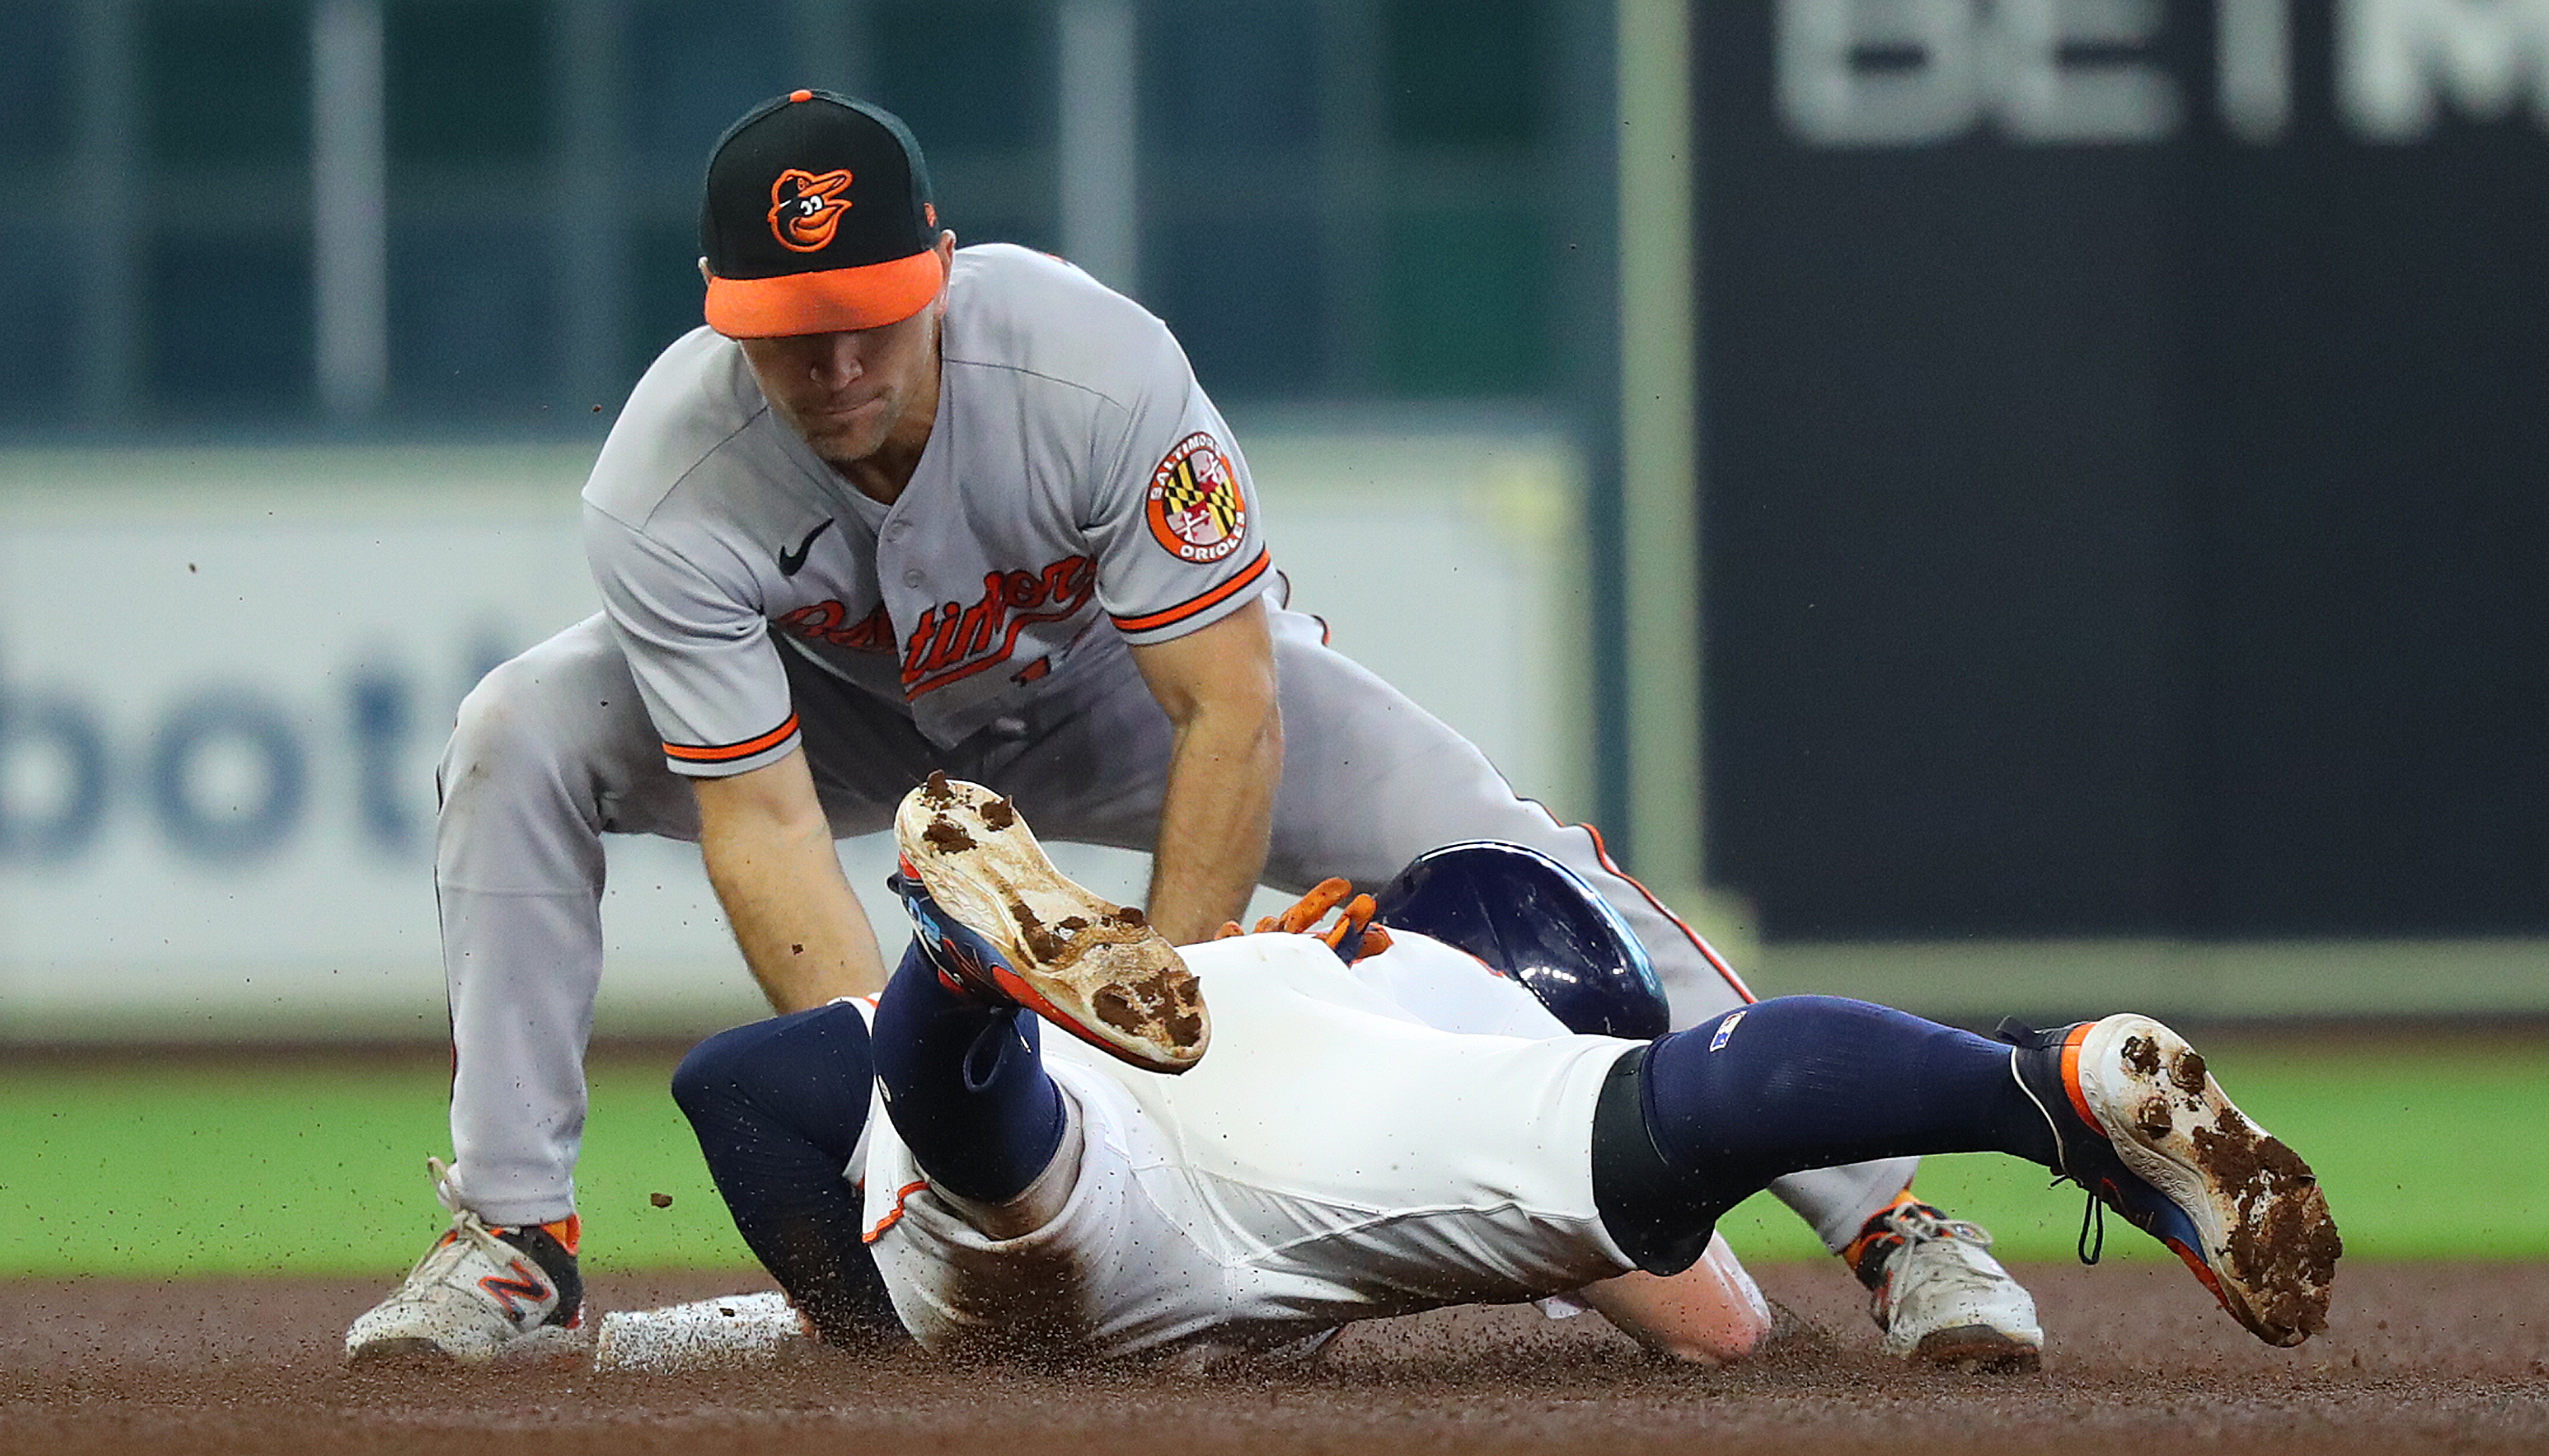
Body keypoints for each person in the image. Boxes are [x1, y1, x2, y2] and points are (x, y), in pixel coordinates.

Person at [344, 90, 2036, 1366]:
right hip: (848, 713)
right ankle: (519, 1238)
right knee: (515, 734)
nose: (839, 354)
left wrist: (1174, 1004)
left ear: (937, 270)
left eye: (870, 302)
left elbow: (1225, 705)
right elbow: (769, 825)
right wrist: (907, 1127)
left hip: (1113, 690)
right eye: (792, 331)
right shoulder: (667, 479)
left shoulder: (1088, 366)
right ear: (731, 324)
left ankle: (1898, 1223)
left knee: (1524, 850)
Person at [645, 777, 2338, 1368]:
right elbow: (1721, 1324)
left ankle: (958, 979)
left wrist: (855, 1331)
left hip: (1189, 1015)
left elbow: (730, 1086)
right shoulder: (1513, 1030)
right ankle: (2032, 1087)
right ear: (1586, 990)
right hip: (1345, 1147)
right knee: (1687, 1120)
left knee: (999, 1186)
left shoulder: (1308, 952)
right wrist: (1560, 1283)